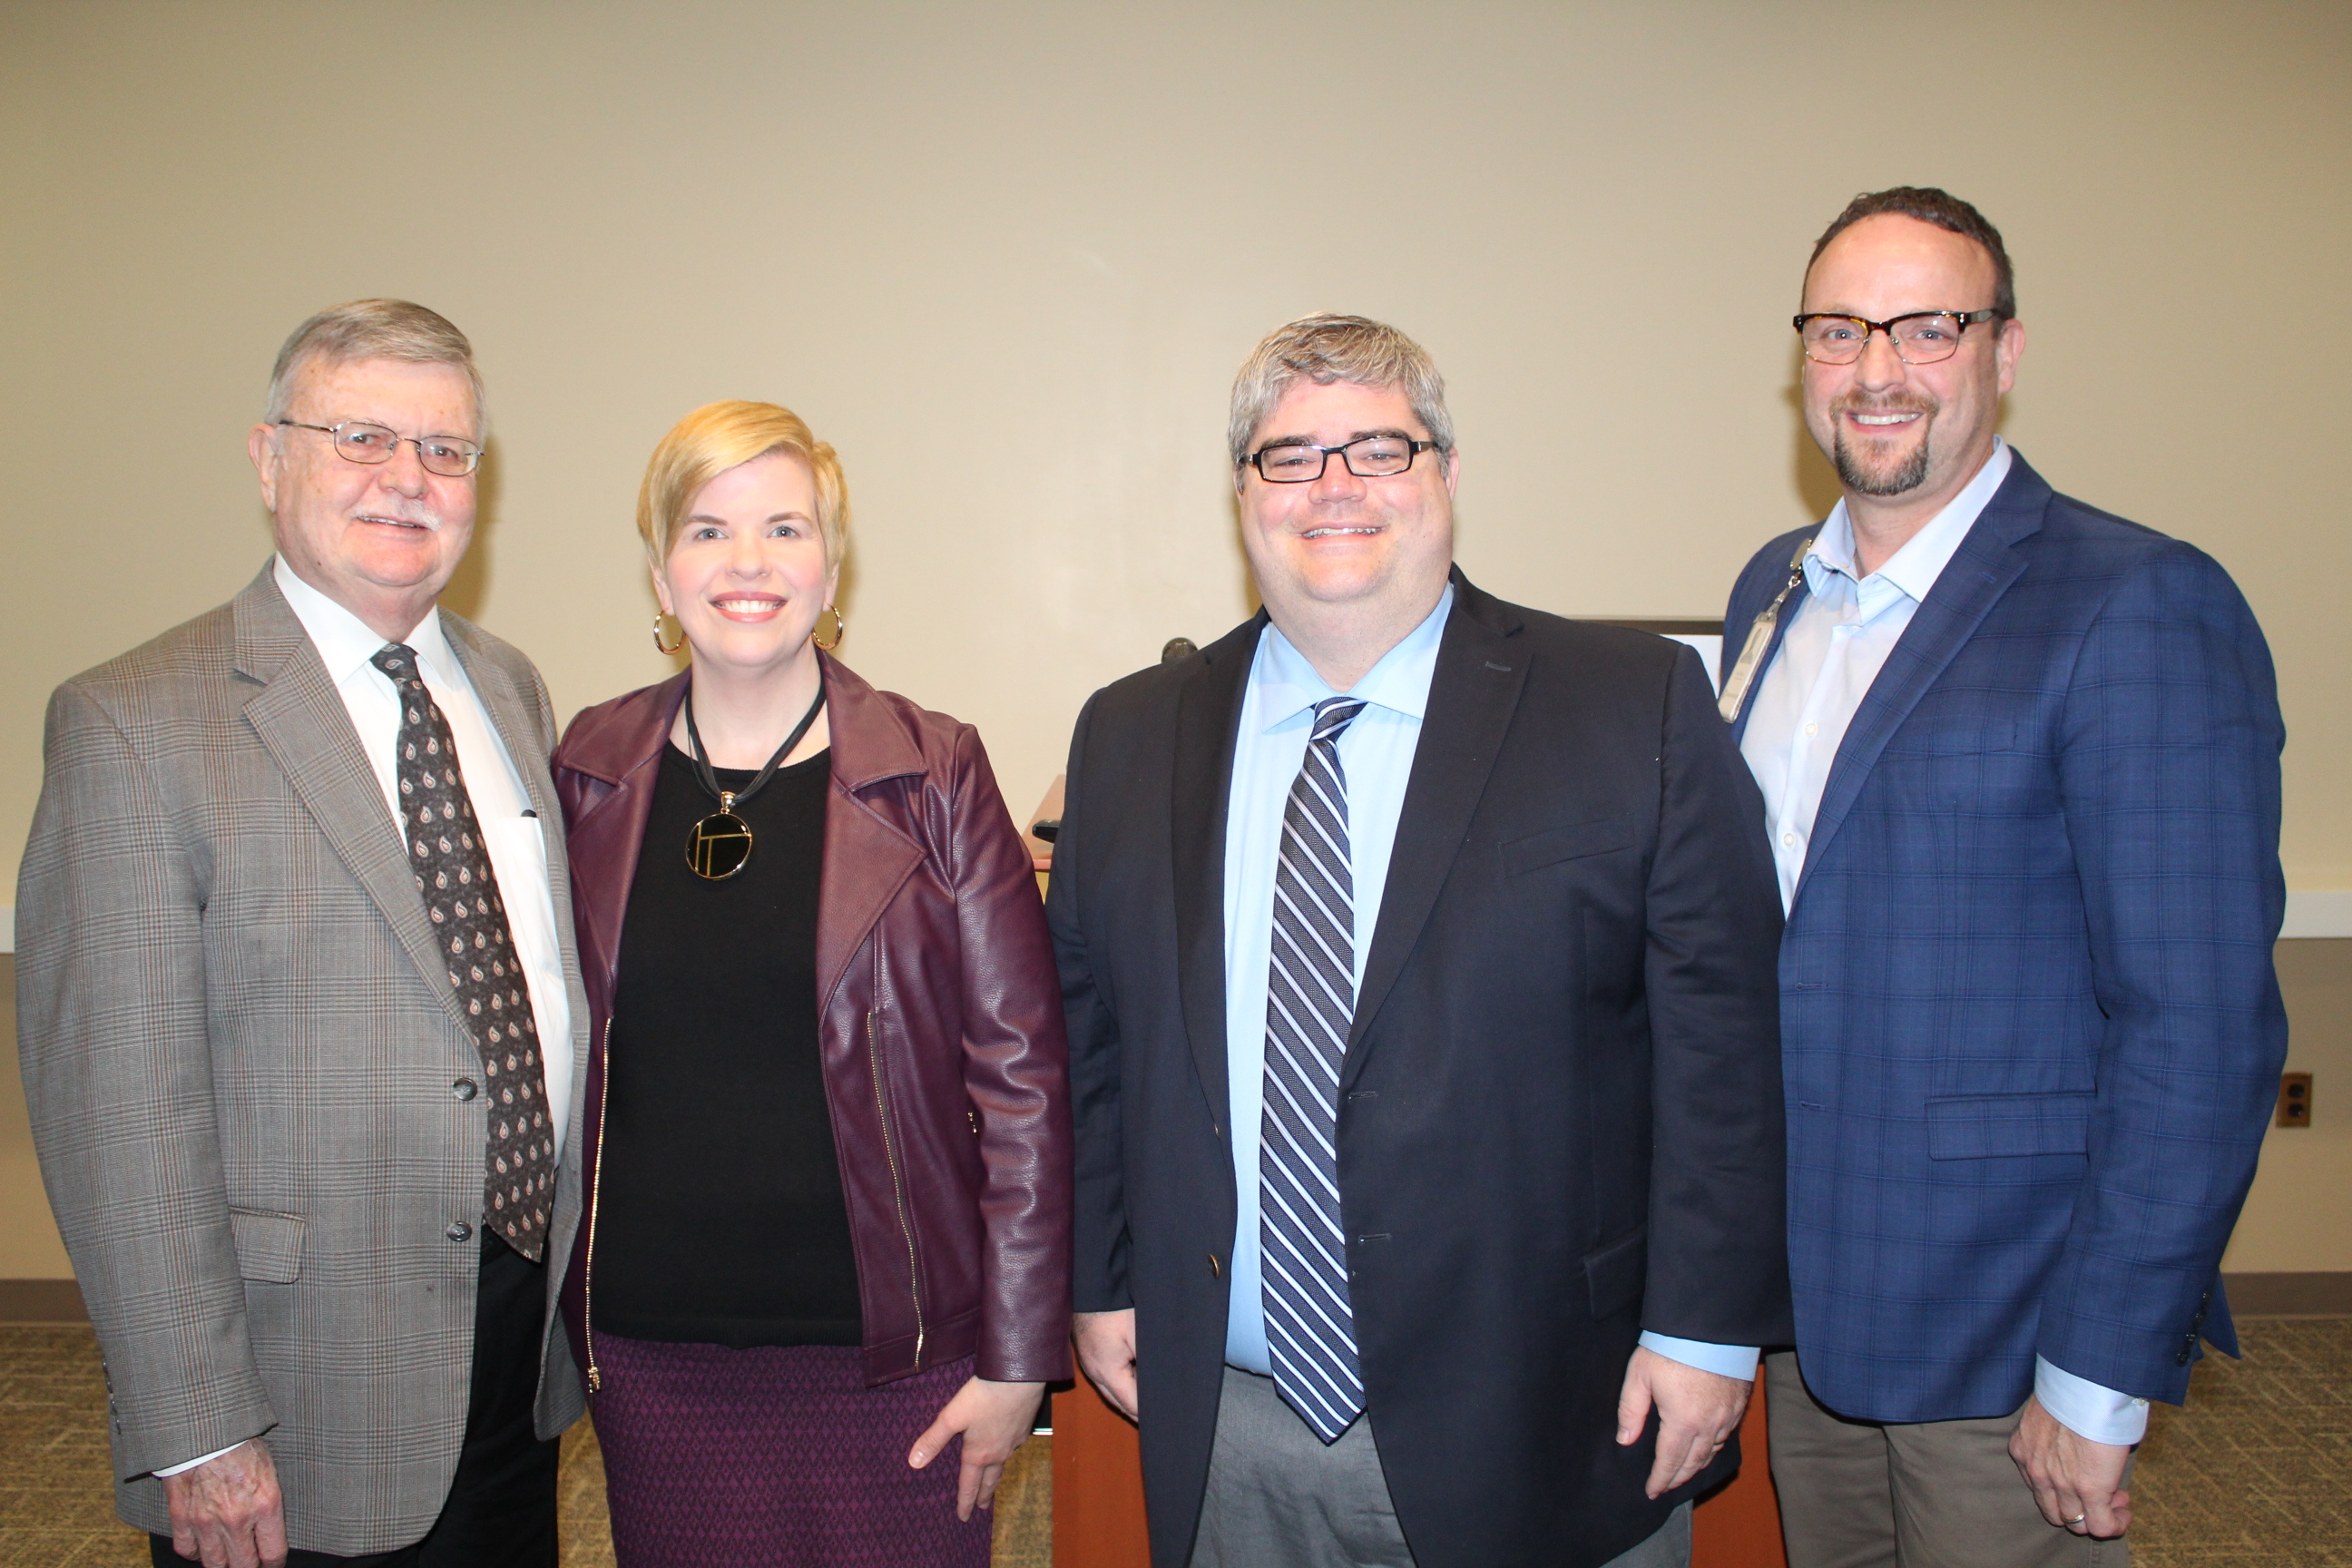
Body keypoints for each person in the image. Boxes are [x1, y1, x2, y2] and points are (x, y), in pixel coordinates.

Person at [1049, 315, 1789, 1568]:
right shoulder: (1129, 734)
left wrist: (1706, 1330)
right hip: (1232, 1426)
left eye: (1379, 449)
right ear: (1243, 492)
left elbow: (1726, 1046)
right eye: (1290, 456)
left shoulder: (1633, 704)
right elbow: (1096, 1047)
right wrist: (1102, 1275)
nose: (1333, 486)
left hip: (1550, 1414)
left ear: (1446, 469)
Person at [1721, 187, 2287, 1565]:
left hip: (2010, 1328)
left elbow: (2198, 1028)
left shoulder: (2134, 601)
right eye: (1839, 330)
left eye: (1928, 327)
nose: (1877, 369)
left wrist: (2097, 1373)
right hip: (1806, 1308)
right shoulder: (1771, 594)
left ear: (2005, 351)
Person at [16, 299, 589, 1567]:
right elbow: (118, 1115)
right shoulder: (134, 723)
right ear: (271, 458)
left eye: (444, 450)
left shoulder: (509, 688)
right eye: (361, 437)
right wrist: (197, 1427)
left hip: (511, 1360)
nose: (407, 478)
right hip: (293, 1392)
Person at [549, 400, 1071, 1566]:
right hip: (654, 1358)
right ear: (660, 573)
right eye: (707, 530)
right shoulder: (588, 770)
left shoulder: (933, 772)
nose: (748, 562)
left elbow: (1025, 1084)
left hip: (902, 1365)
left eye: (785, 529)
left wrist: (1017, 1360)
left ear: (832, 569)